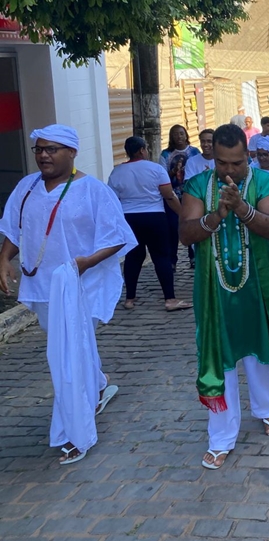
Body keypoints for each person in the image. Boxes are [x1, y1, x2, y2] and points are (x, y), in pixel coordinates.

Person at [0, 124, 137, 464]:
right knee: (71, 348)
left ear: (72, 152)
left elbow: (118, 236)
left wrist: (86, 263)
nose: (43, 155)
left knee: (67, 355)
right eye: (39, 149)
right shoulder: (26, 188)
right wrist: (4, 258)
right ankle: (99, 385)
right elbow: (15, 229)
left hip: (82, 286)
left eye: (52, 149)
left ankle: (76, 429)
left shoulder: (93, 190)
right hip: (43, 286)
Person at [180, 123, 269, 470]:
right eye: (222, 164)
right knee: (220, 356)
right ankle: (222, 436)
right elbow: (186, 233)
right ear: (213, 157)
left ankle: (267, 408)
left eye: (237, 163)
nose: (229, 170)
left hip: (257, 284)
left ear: (249, 156)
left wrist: (243, 209)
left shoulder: (265, 182)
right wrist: (217, 216)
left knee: (259, 348)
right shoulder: (198, 184)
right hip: (213, 289)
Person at [107, 136, 192, 312]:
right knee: (161, 257)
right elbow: (169, 196)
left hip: (129, 218)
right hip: (155, 217)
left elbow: (113, 200)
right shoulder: (156, 169)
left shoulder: (117, 172)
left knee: (132, 258)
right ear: (141, 150)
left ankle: (129, 298)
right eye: (145, 148)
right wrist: (183, 214)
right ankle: (169, 298)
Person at [159, 124, 200, 269]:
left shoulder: (194, 152)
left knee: (192, 224)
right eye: (175, 134)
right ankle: (172, 260)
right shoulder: (165, 155)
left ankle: (193, 256)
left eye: (182, 133)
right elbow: (162, 177)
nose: (179, 137)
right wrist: (174, 171)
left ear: (186, 135)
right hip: (173, 196)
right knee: (172, 228)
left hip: (191, 195)